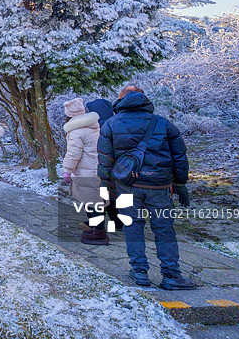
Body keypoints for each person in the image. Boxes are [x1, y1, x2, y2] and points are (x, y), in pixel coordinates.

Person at [98, 86, 196, 290]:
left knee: (132, 226)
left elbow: (105, 160)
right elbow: (179, 156)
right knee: (164, 229)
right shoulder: (162, 123)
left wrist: (105, 187)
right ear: (146, 102)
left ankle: (139, 271)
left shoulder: (110, 124)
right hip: (159, 185)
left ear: (121, 102)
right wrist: (181, 184)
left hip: (127, 186)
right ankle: (171, 275)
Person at [61, 98, 107, 245]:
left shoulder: (75, 131)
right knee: (94, 199)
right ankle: (93, 225)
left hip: (85, 171)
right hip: (97, 168)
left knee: (92, 202)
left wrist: (67, 171)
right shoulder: (93, 125)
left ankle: (99, 232)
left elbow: (73, 154)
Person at [84, 98, 124, 232]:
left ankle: (96, 225)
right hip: (118, 168)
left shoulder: (94, 128)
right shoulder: (118, 124)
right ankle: (119, 222)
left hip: (98, 167)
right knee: (112, 198)